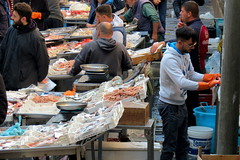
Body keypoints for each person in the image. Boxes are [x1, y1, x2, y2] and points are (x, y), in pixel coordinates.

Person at [158, 26, 220, 160]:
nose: (192, 47)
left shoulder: (185, 54)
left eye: (194, 44)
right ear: (180, 42)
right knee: (170, 145)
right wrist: (207, 85)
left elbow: (191, 74)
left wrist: (208, 76)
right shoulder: (170, 59)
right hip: (169, 106)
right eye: (190, 44)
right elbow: (182, 82)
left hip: (181, 104)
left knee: (183, 143)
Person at [151, 1, 209, 126]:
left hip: (191, 75)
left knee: (190, 113)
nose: (180, 13)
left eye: (182, 11)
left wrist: (205, 82)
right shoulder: (197, 27)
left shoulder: (192, 33)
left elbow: (184, 81)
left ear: (189, 13)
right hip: (176, 96)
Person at [0, 2, 49, 91]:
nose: (11, 18)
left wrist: (37, 79)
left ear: (23, 19)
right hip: (8, 82)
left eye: (14, 16)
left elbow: (43, 62)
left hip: (25, 85)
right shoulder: (11, 30)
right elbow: (2, 51)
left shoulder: (36, 37)